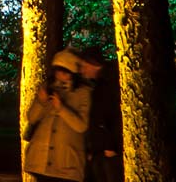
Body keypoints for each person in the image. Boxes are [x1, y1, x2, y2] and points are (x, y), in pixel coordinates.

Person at [23, 49, 94, 182]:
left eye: (64, 71)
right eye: (57, 70)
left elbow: (81, 126)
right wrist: (41, 102)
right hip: (41, 160)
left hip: (66, 163)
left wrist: (61, 108)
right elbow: (32, 118)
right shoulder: (48, 87)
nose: (60, 75)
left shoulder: (83, 93)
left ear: (73, 73)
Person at [77, 50, 123, 182]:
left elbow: (110, 116)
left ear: (94, 65)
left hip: (106, 149)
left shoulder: (107, 85)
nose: (82, 71)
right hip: (101, 148)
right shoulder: (101, 85)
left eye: (84, 66)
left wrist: (110, 145)